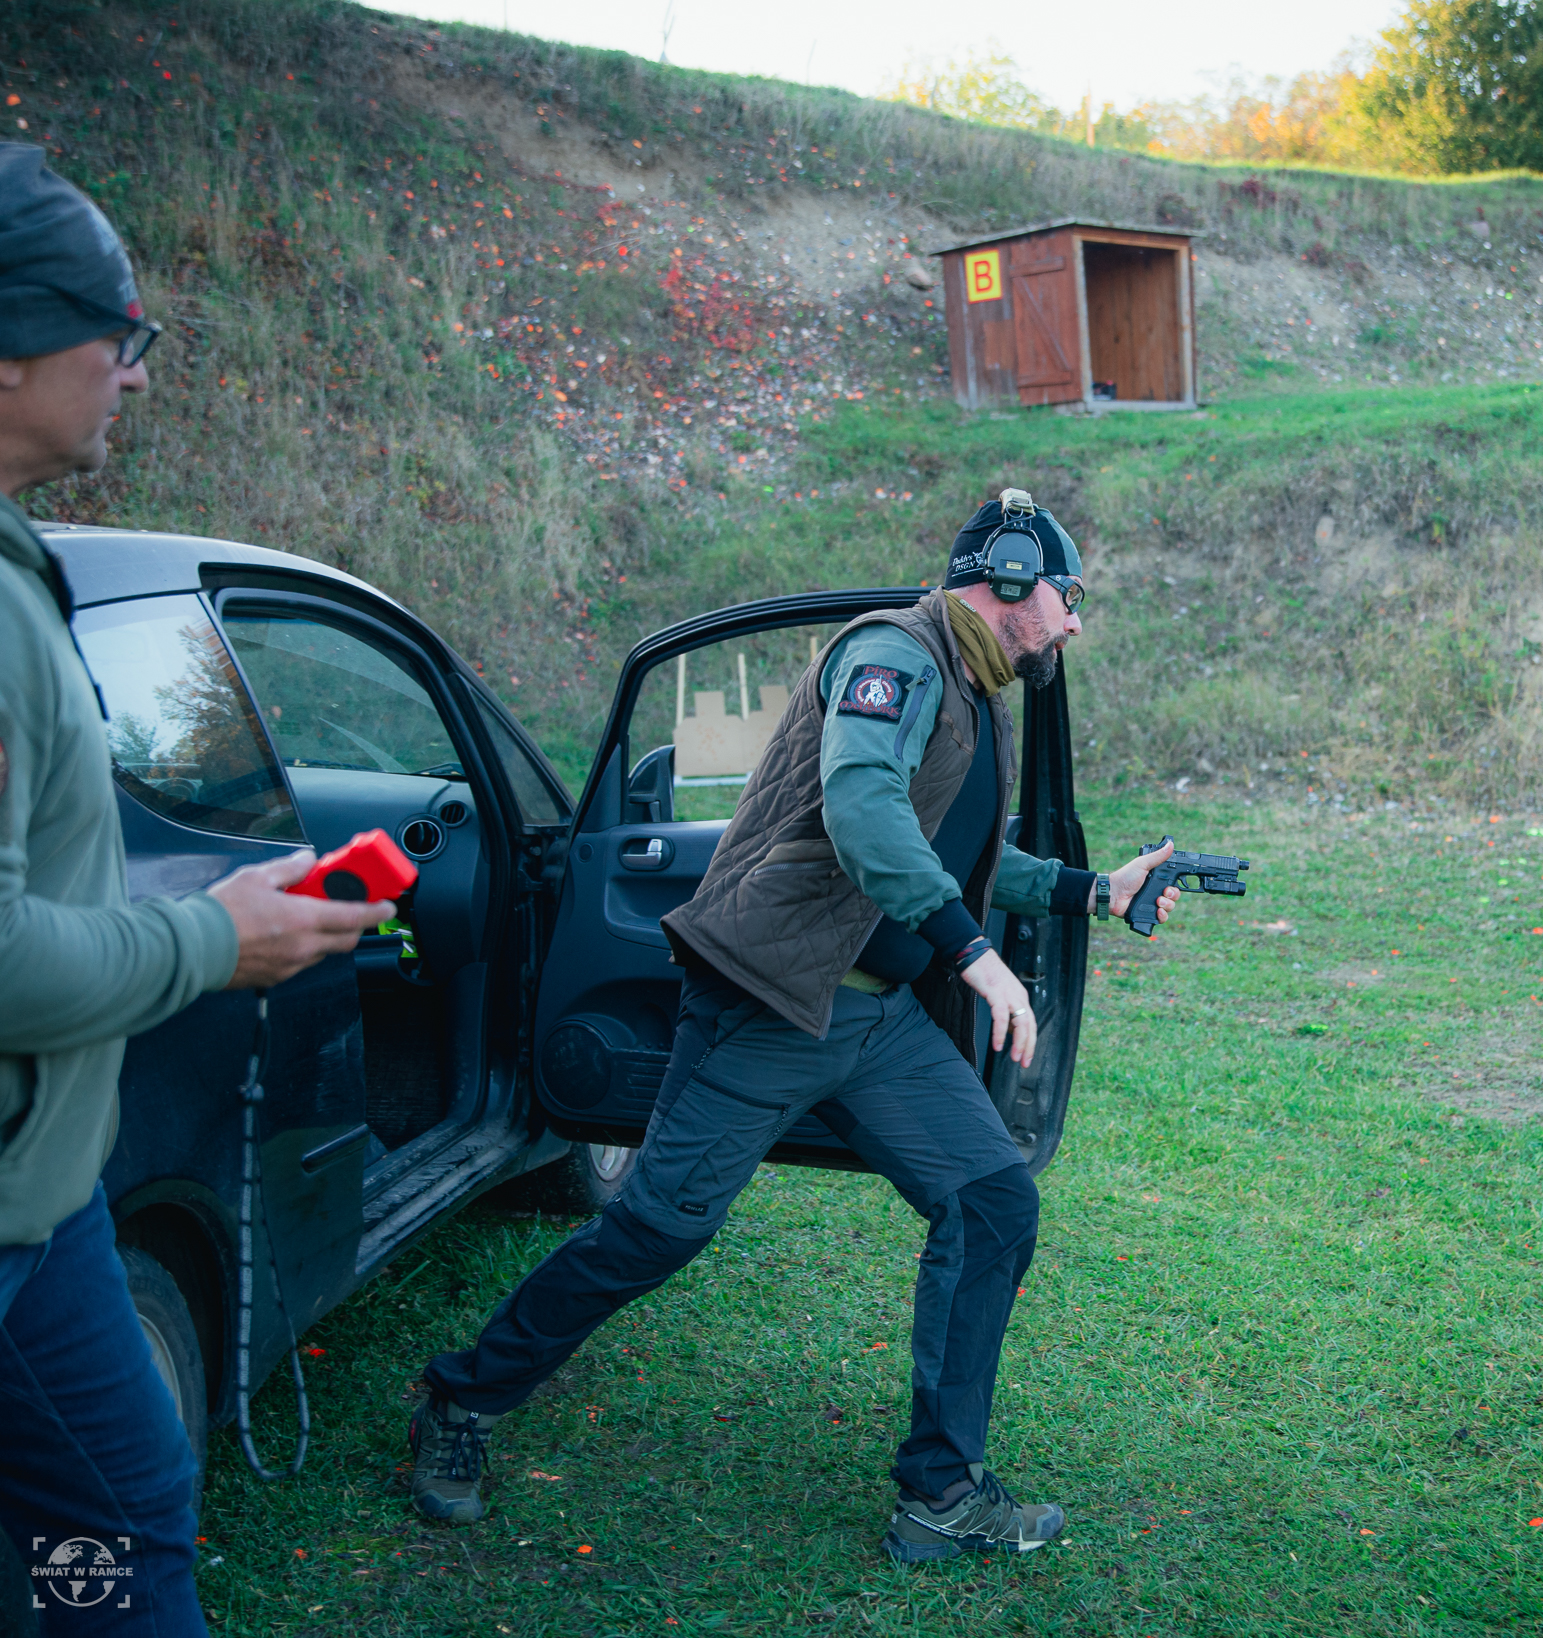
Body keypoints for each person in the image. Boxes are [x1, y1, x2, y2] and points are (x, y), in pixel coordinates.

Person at [408, 489, 1182, 1561]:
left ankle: (938, 1494)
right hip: (768, 1003)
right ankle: (460, 1400)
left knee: (991, 1202)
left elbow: (957, 857)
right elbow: (862, 814)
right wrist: (975, 955)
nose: (1074, 623)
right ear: (1005, 577)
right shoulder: (895, 659)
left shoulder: (970, 688)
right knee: (652, 1233)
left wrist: (1098, 890)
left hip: (873, 1021)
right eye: (1067, 596)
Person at [0, 144, 393, 1634]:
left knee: (120, 1505)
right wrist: (210, 937)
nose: (137, 374)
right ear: (11, 350)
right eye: (123, 335)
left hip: (43, 1213)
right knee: (116, 1513)